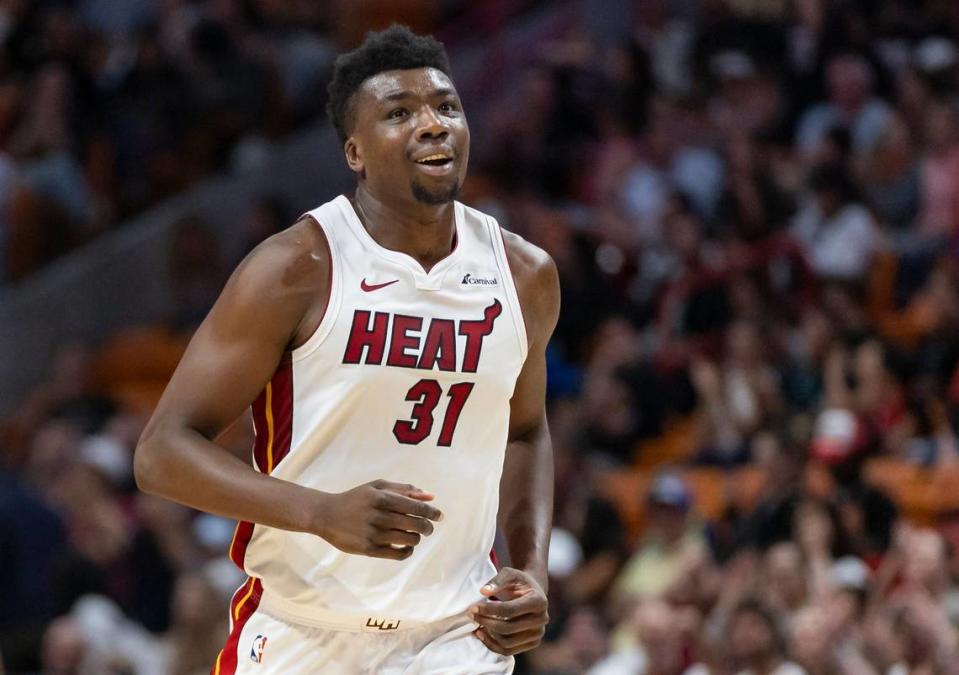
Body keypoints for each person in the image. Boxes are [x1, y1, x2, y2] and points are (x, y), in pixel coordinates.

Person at [134, 24, 559, 674]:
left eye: (446, 106)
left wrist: (530, 569)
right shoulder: (296, 268)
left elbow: (525, 430)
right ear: (355, 151)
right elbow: (162, 451)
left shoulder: (524, 276)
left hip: (453, 637)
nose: (433, 124)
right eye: (400, 113)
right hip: (304, 633)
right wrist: (317, 511)